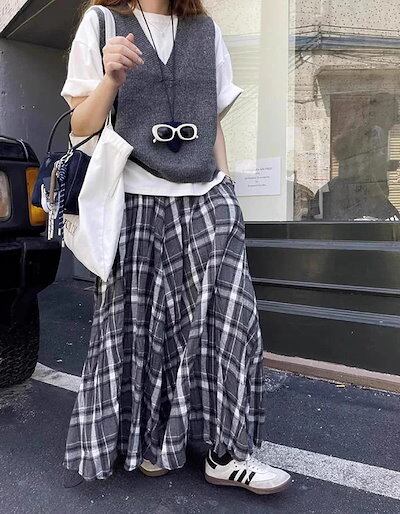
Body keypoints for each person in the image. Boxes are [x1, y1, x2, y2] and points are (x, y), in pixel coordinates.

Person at [60, 0, 291, 495]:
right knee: (141, 327)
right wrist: (111, 80)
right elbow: (81, 126)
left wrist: (227, 187)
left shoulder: (204, 30)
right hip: (133, 195)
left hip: (206, 195)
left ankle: (228, 454)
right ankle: (156, 444)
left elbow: (212, 121)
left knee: (231, 318)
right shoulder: (102, 22)